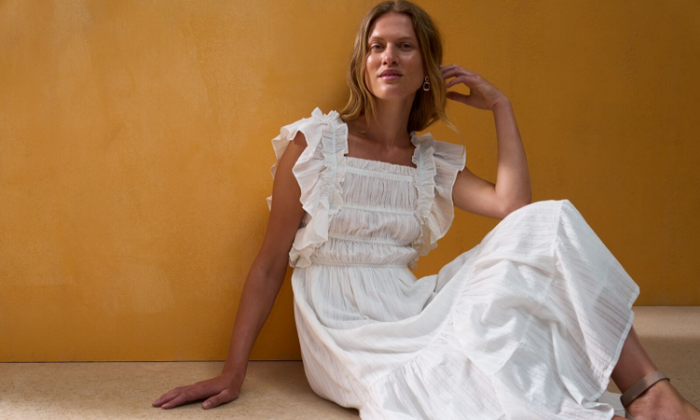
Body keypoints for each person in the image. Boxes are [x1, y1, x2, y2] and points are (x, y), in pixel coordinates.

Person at [152, 1, 700, 419]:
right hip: (345, 326)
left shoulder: (428, 163)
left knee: (550, 223)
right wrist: (233, 371)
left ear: (427, 67)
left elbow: (516, 209)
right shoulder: (315, 144)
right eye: (376, 47)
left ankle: (647, 390)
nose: (388, 57)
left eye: (404, 46)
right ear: (362, 64)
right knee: (450, 379)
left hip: (411, 303)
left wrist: (502, 107)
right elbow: (271, 263)